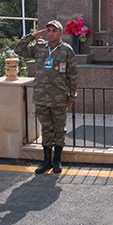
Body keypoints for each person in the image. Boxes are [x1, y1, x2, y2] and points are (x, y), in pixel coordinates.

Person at [15, 20, 77, 174]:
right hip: (41, 96)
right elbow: (18, 50)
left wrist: (71, 97)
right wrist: (31, 36)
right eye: (48, 30)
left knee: (59, 129)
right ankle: (46, 161)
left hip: (59, 97)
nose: (50, 33)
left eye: (54, 31)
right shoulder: (39, 47)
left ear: (60, 33)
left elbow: (72, 76)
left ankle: (57, 161)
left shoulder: (66, 50)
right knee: (46, 129)